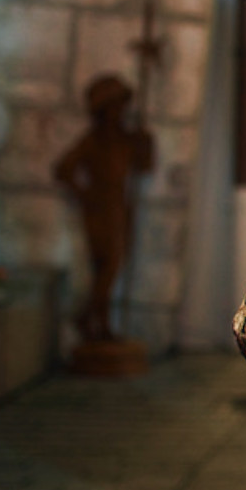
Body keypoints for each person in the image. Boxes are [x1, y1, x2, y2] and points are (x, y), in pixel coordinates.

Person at [55, 75, 153, 342]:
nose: (118, 112)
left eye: (121, 105)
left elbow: (144, 167)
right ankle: (94, 321)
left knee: (112, 268)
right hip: (100, 211)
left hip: (120, 209)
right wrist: (85, 195)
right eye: (113, 106)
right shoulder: (93, 141)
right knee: (106, 270)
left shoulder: (126, 140)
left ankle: (93, 321)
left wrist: (145, 142)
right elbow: (63, 169)